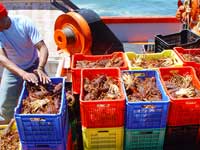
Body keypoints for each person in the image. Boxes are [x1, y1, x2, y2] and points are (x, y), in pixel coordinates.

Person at [0, 3, 51, 123]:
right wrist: (23, 73)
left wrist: (40, 67)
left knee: (48, 94)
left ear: (3, 17)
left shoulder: (23, 23)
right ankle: (7, 127)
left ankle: (45, 124)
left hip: (34, 65)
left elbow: (42, 47)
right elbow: (2, 58)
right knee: (4, 105)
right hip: (13, 69)